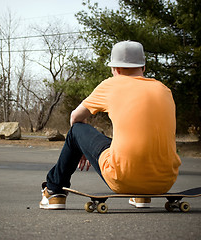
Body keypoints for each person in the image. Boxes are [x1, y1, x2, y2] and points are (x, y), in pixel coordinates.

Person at [39, 40, 181, 210]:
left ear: (116, 69)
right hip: (164, 181)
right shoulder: (164, 90)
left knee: (77, 129)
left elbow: (75, 117)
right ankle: (141, 196)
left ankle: (55, 190)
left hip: (123, 178)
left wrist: (83, 147)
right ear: (143, 67)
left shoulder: (111, 85)